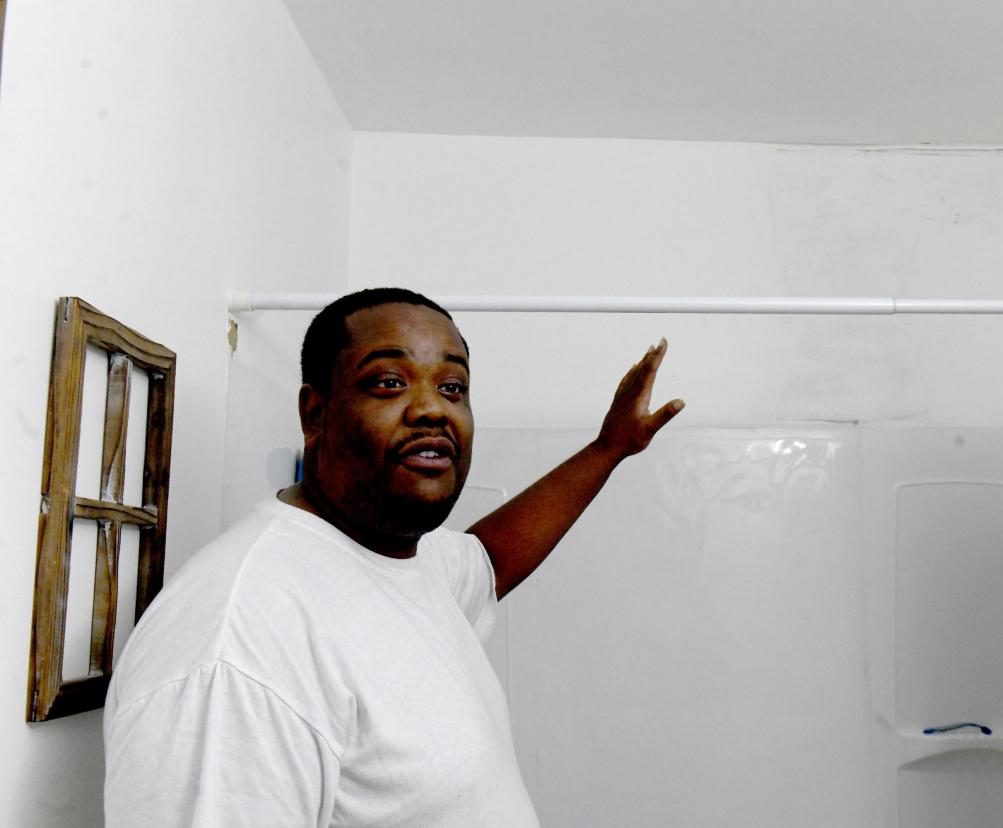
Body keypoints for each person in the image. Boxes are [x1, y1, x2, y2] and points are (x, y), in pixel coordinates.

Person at [102, 287, 684, 826]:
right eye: (389, 383)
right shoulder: (238, 645)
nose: (433, 409)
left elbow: (490, 559)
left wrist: (609, 449)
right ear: (315, 415)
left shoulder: (407, 559)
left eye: (452, 387)